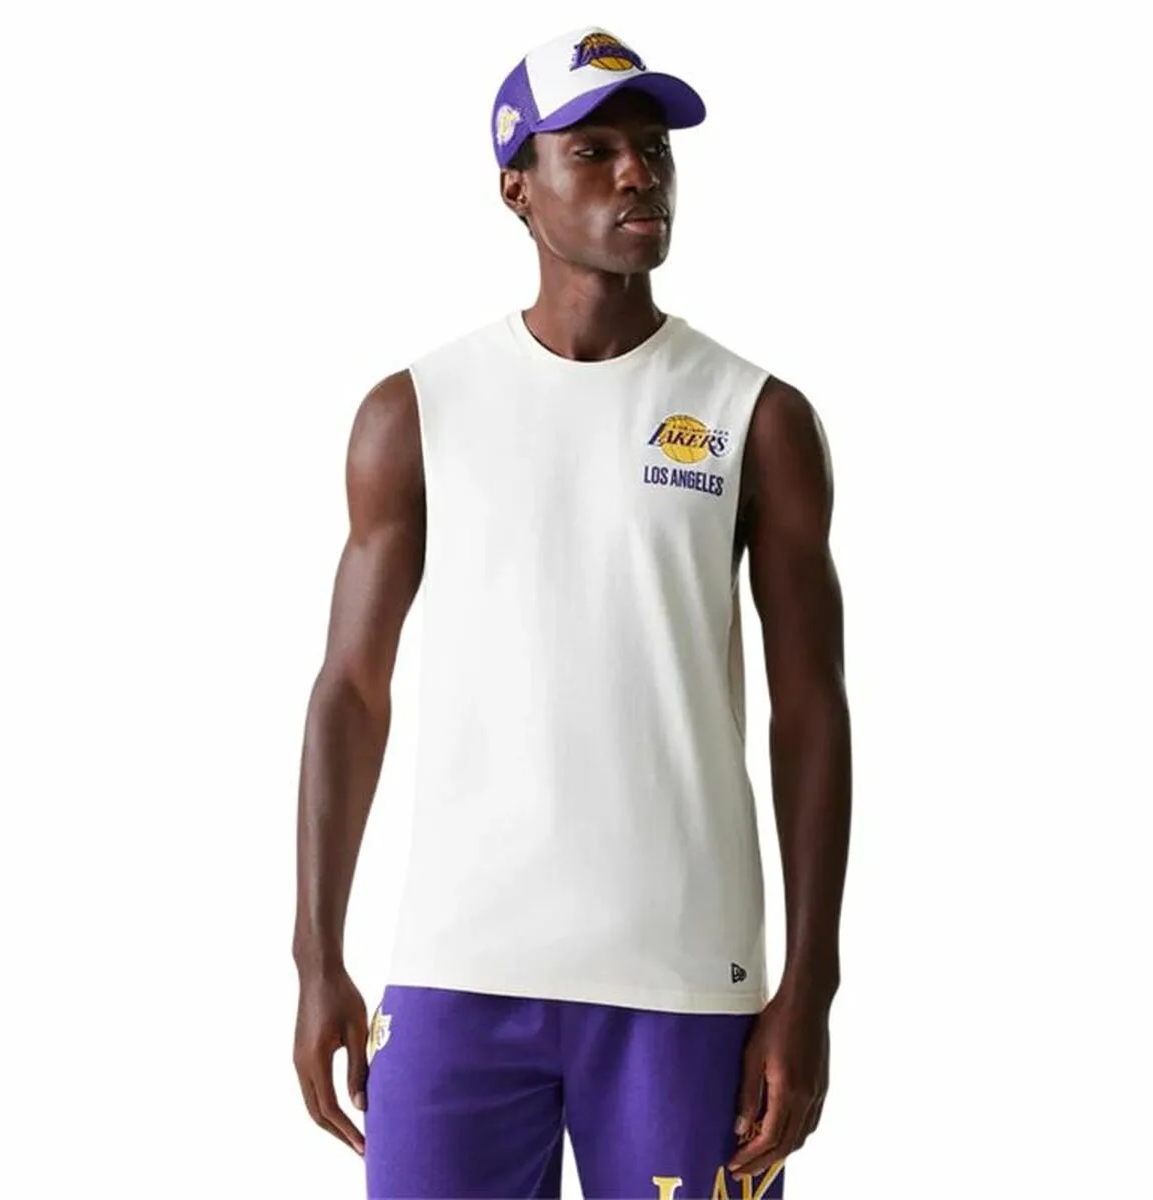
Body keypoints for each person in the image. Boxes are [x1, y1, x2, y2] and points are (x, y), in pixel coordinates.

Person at [292, 24, 851, 1200]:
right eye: (592, 151)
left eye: (653, 147)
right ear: (518, 187)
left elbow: (810, 709)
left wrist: (809, 987)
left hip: (686, 982)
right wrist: (314, 955)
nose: (638, 172)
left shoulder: (756, 416)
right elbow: (350, 690)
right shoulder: (416, 412)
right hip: (460, 970)